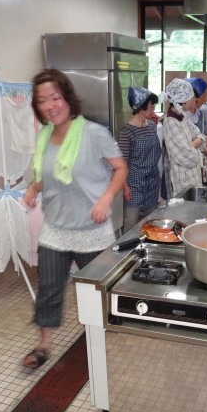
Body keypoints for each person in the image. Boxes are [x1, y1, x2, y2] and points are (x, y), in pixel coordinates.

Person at [22, 69, 128, 368]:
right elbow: (48, 177)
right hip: (55, 228)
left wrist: (106, 199)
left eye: (55, 97)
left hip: (91, 229)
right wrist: (33, 187)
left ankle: (108, 336)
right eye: (42, 100)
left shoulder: (94, 134)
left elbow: (121, 169)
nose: (49, 105)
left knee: (99, 289)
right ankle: (43, 344)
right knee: (49, 289)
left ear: (67, 98)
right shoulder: (43, 138)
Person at [118, 87, 162, 233]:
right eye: (150, 105)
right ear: (139, 106)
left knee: (151, 221)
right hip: (134, 185)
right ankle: (127, 253)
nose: (153, 108)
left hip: (152, 181)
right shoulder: (127, 132)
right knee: (131, 222)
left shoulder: (151, 125)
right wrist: (125, 187)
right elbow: (121, 163)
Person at [159, 78, 207, 197]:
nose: (194, 100)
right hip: (182, 182)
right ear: (184, 101)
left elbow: (200, 135)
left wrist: (192, 144)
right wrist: (195, 144)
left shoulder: (182, 116)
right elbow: (189, 157)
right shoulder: (171, 122)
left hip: (193, 178)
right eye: (192, 98)